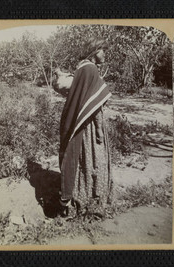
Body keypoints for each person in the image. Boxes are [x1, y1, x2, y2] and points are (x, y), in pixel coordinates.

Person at [58, 38, 113, 219]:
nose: (104, 54)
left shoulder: (81, 68)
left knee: (80, 161)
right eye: (102, 50)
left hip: (77, 121)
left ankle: (75, 200)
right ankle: (92, 201)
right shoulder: (91, 69)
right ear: (94, 51)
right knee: (95, 161)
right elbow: (94, 105)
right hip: (88, 123)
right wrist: (98, 130)